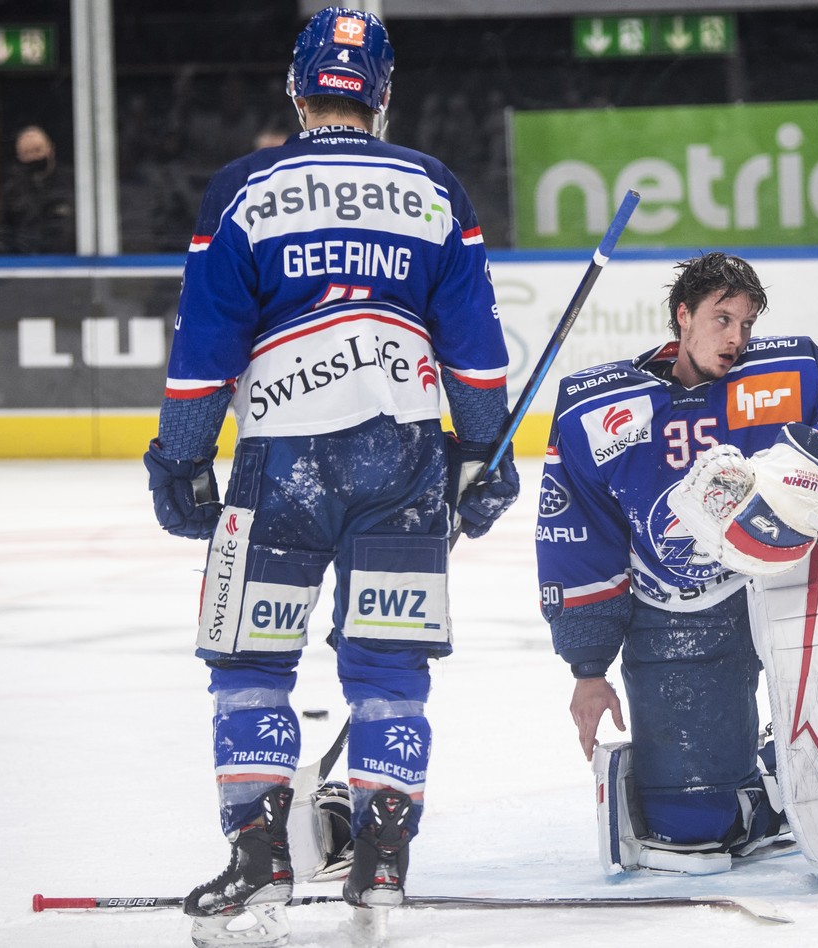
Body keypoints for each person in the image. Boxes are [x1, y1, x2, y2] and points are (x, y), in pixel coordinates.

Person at [142, 8, 518, 946]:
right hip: (405, 462)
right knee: (389, 664)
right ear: (382, 93)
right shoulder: (434, 187)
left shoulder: (243, 190)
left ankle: (262, 855)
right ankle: (383, 856)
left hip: (282, 461)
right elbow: (473, 351)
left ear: (297, 87)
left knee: (250, 662)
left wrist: (182, 454)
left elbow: (204, 348)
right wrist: (485, 452)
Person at [534, 252, 818, 878]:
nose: (737, 337)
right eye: (722, 318)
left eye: (747, 323)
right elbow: (578, 544)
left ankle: (797, 774)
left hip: (794, 593)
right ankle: (750, 786)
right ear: (683, 315)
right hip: (682, 613)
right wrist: (589, 667)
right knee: (692, 833)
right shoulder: (595, 412)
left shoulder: (790, 371)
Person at [0, 124, 75, 254]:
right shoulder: (13, 190)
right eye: (27, 153)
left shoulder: (73, 182)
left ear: (51, 150)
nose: (34, 157)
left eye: (38, 150)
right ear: (19, 157)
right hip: (27, 263)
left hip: (65, 261)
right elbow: (5, 232)